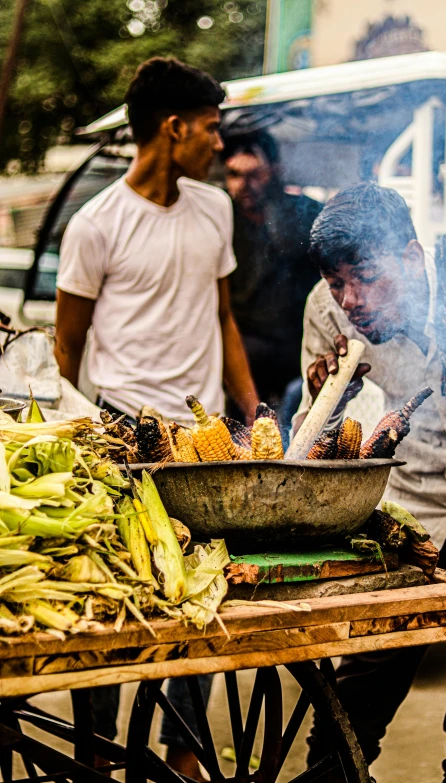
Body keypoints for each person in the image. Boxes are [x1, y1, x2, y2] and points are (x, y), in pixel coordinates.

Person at [55, 56, 258, 780]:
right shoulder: (96, 225)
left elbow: (224, 316)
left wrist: (254, 410)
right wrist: (75, 441)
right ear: (172, 128)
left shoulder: (215, 209)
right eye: (210, 128)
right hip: (119, 436)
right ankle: (96, 756)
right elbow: (67, 345)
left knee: (200, 591)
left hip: (199, 438)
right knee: (118, 607)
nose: (219, 144)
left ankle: (180, 751)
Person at [295, 182, 446, 783]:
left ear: (413, 257)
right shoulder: (326, 311)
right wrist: (328, 405)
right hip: (410, 506)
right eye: (338, 281)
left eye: (366, 276)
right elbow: (310, 451)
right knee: (357, 697)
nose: (353, 299)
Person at [222, 131, 321, 428]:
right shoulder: (221, 219)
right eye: (235, 175)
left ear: (274, 171)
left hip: (297, 349)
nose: (245, 185)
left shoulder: (305, 213)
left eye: (255, 175)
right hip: (244, 352)